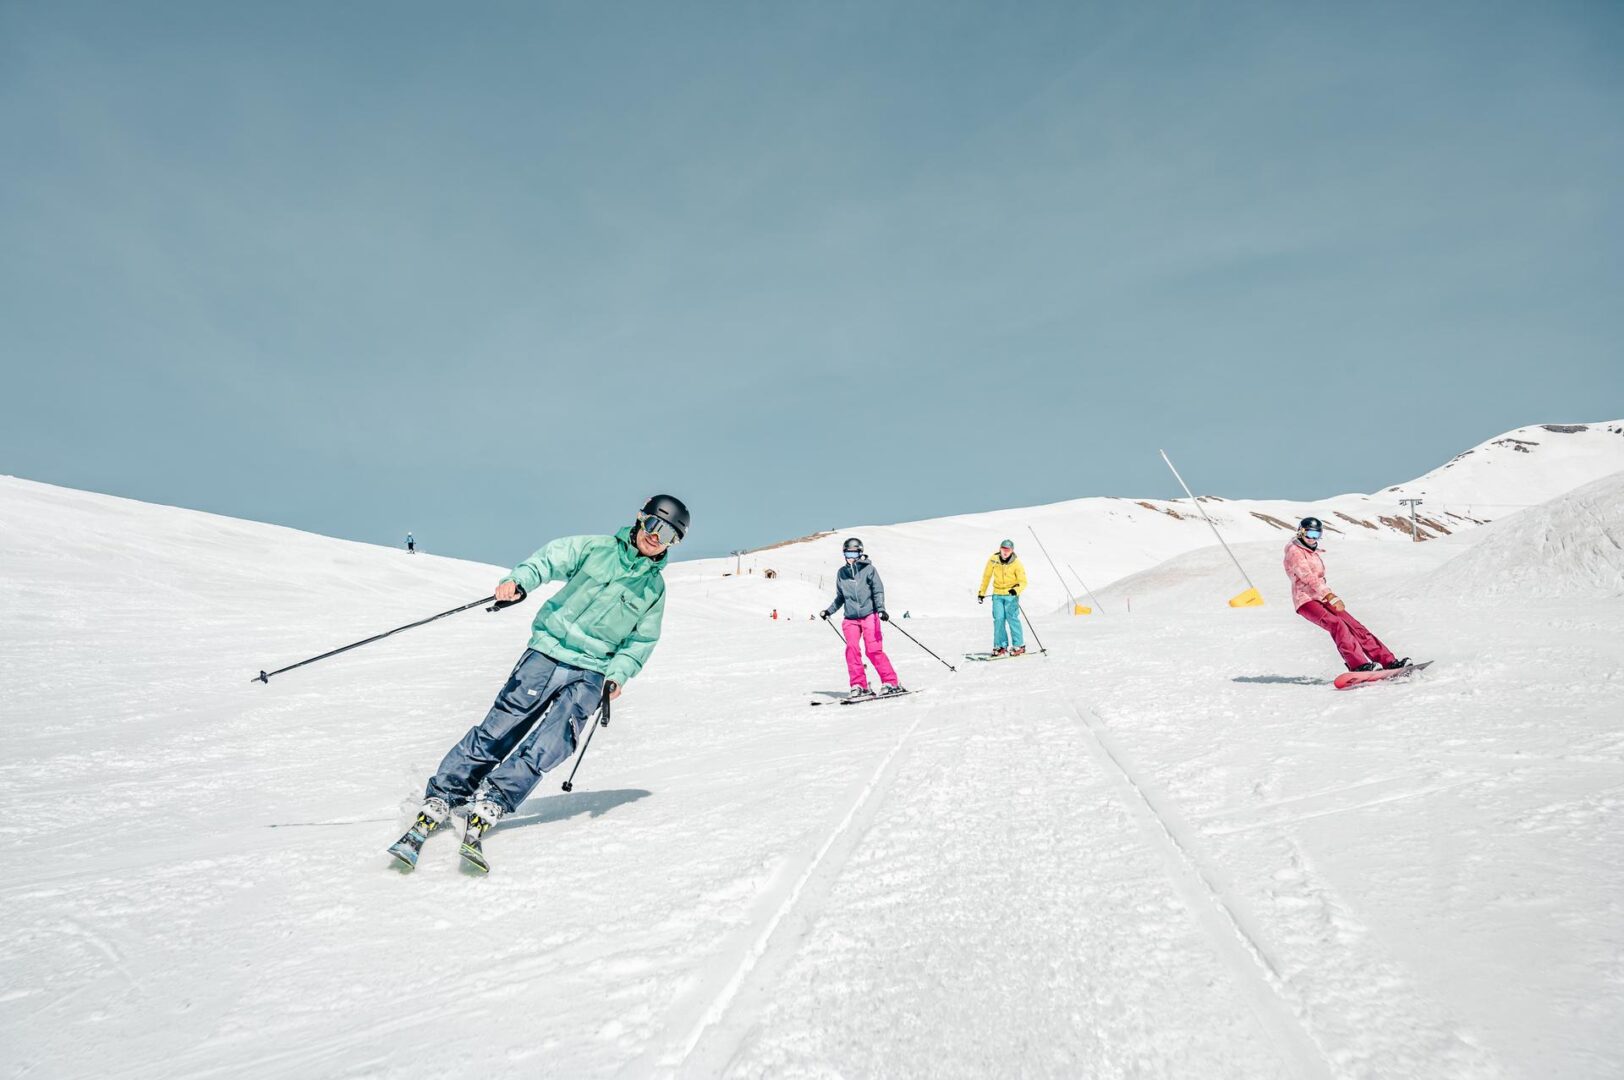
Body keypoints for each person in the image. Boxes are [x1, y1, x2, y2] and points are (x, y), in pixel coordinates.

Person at [390, 494, 689, 871]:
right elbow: (550, 559)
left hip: (592, 671)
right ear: (640, 518)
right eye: (654, 525)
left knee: (552, 743)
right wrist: (518, 582)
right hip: (548, 651)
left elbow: (641, 640)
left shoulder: (654, 590)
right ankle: (446, 794)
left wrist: (618, 675)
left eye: (669, 536)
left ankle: (494, 799)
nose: (656, 537)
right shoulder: (595, 549)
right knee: (500, 728)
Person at [1285, 516, 1408, 672]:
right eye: (1309, 534)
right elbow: (1308, 577)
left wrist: (1327, 595)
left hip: (1321, 596)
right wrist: (1330, 596)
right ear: (1301, 532)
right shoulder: (1294, 552)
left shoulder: (1312, 552)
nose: (1312, 538)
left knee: (1356, 627)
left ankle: (1388, 661)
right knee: (1337, 624)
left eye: (1316, 535)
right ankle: (1358, 664)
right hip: (1305, 600)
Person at [820, 537, 904, 699]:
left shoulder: (869, 569)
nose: (850, 557)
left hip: (869, 614)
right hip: (850, 618)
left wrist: (881, 609)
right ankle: (859, 685)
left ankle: (891, 682)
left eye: (854, 553)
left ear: (860, 553)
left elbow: (878, 591)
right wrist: (829, 611)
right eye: (847, 553)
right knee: (852, 650)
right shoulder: (841, 573)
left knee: (873, 650)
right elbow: (840, 597)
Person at [977, 539, 1029, 656]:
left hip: (1011, 595)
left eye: (1008, 550)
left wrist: (1015, 590)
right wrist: (982, 592)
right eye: (1003, 549)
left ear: (1012, 551)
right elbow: (986, 576)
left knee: (1012, 618)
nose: (1005, 552)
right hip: (997, 595)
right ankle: (1000, 646)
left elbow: (1023, 582)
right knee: (999, 619)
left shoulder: (1016, 563)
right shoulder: (993, 559)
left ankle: (1019, 645)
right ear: (1000, 549)